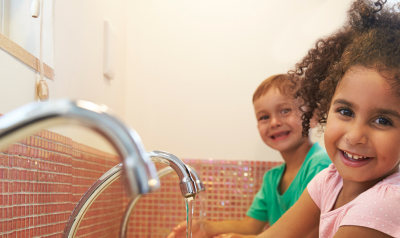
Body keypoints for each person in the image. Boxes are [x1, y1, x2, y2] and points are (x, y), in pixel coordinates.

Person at [255, 1, 400, 238]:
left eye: (382, 120)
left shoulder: (386, 203)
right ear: (325, 106)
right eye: (345, 112)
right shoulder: (330, 180)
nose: (354, 135)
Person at [167, 74, 331, 238]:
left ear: (313, 117)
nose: (274, 122)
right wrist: (205, 228)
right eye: (264, 117)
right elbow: (249, 225)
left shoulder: (321, 166)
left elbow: (309, 232)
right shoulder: (272, 178)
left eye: (285, 110)